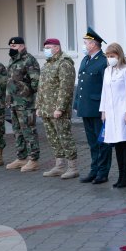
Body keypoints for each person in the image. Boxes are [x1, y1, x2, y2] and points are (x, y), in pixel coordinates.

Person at [74, 27, 113, 185]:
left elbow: (107, 86)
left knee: (102, 142)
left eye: (86, 43)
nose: (84, 45)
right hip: (86, 107)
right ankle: (94, 170)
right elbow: (81, 83)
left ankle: (103, 172)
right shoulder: (86, 59)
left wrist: (106, 108)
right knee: (92, 142)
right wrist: (77, 103)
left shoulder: (103, 61)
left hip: (98, 108)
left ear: (94, 44)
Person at [37, 38, 79, 179]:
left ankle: (72, 167)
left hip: (58, 110)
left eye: (49, 47)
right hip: (46, 109)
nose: (46, 50)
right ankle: (59, 166)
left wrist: (60, 108)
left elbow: (65, 88)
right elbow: (41, 88)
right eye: (45, 47)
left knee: (64, 136)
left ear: (57, 48)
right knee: (53, 138)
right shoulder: (47, 65)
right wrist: (38, 106)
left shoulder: (64, 63)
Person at [100, 43, 126, 188]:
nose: (110, 59)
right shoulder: (107, 70)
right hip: (111, 114)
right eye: (108, 56)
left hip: (123, 112)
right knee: (116, 144)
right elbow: (104, 91)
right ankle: (121, 175)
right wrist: (103, 111)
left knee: (125, 143)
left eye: (113, 56)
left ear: (119, 55)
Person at [5, 37, 41, 172]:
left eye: (15, 46)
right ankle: (21, 157)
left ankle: (33, 159)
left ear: (22, 46)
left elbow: (35, 82)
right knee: (17, 131)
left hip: (25, 103)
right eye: (11, 46)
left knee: (29, 131)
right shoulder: (13, 60)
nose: (12, 49)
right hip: (14, 103)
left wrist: (29, 96)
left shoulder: (29, 60)